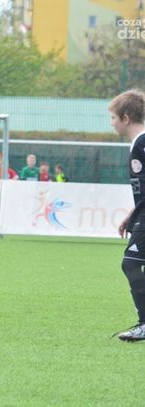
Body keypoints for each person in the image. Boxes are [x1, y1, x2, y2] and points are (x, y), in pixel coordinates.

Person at [110, 89, 145, 341]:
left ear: (126, 117)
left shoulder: (142, 143)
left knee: (131, 263)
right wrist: (132, 214)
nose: (111, 123)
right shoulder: (139, 144)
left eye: (113, 118)